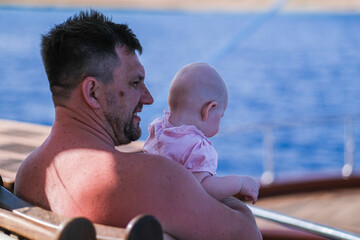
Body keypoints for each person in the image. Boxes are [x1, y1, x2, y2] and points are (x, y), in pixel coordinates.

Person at [14, 10, 262, 240]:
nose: (149, 97)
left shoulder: (29, 175)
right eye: (135, 83)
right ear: (92, 92)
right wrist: (209, 190)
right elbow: (248, 233)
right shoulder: (151, 177)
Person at [143, 63, 259, 202]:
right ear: (209, 109)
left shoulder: (157, 129)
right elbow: (204, 188)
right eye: (220, 116)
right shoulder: (197, 147)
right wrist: (239, 183)